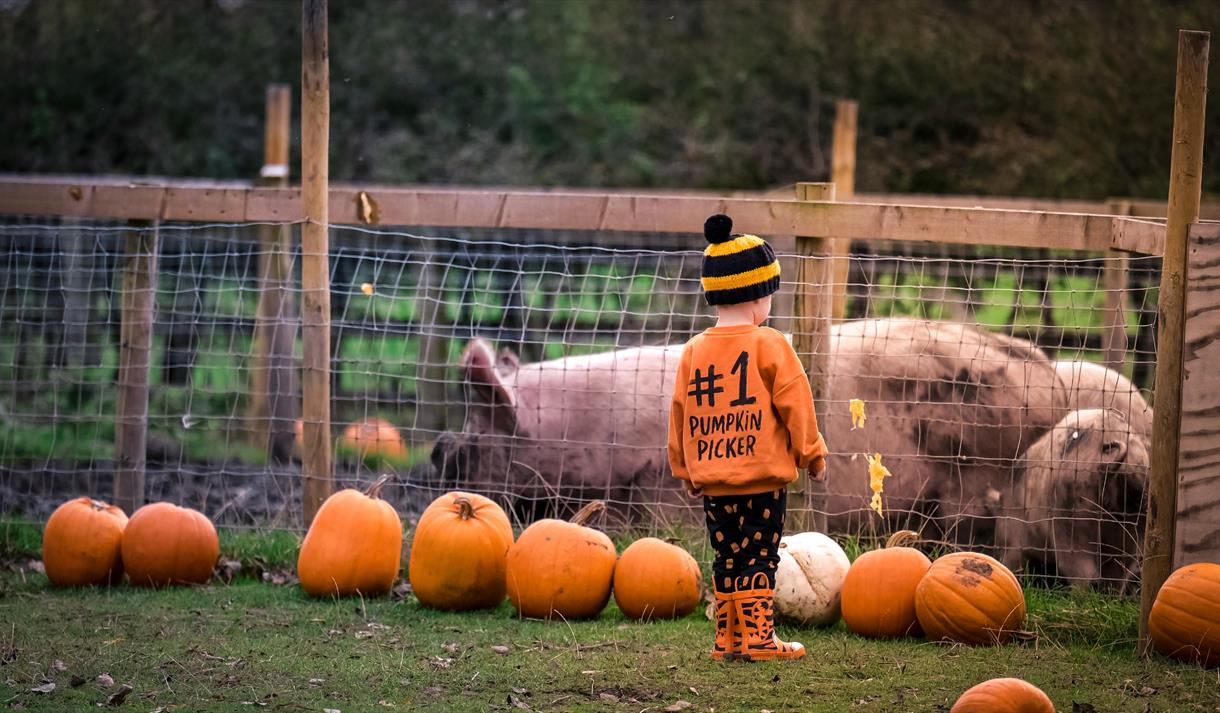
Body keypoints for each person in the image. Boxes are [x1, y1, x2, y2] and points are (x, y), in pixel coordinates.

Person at [667, 213, 828, 662]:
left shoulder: (694, 351)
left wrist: (685, 468)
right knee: (760, 555)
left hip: (715, 482)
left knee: (727, 556)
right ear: (758, 296)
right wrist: (811, 454)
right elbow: (797, 403)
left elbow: (680, 413)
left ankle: (728, 639)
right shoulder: (770, 344)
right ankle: (759, 640)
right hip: (761, 481)